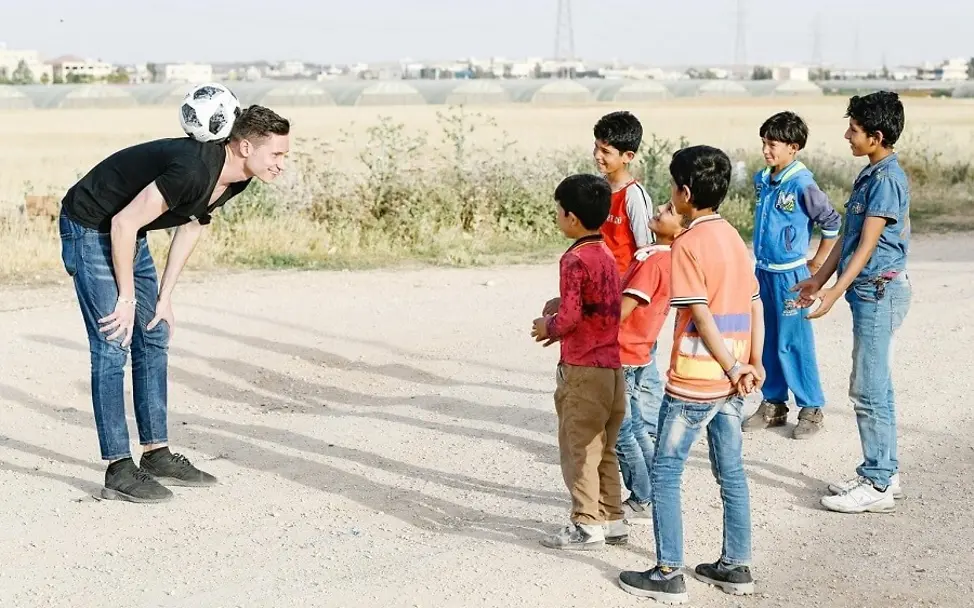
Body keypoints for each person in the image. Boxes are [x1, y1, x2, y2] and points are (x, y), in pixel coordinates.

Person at [58, 105, 291, 504]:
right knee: (114, 340)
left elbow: (191, 224)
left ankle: (156, 454)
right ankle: (117, 468)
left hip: (128, 230)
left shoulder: (237, 177)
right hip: (92, 225)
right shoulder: (193, 168)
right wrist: (127, 297)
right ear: (246, 146)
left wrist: (164, 297)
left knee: (154, 333)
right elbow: (122, 224)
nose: (282, 164)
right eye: (277, 155)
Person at [618, 145, 764, 604]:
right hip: (734, 379)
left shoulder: (686, 245)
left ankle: (667, 571)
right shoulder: (733, 239)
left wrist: (731, 364)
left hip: (698, 379)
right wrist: (752, 362)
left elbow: (698, 313)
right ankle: (735, 565)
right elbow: (755, 303)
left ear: (684, 193)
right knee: (732, 472)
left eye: (671, 189)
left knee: (665, 471)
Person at [794, 91, 911, 514]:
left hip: (879, 292)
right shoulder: (870, 174)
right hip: (867, 292)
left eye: (854, 130)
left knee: (868, 388)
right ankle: (884, 470)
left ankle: (877, 484)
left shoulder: (887, 180)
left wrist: (833, 292)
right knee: (878, 385)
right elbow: (847, 235)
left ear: (876, 136)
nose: (847, 135)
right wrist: (816, 279)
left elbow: (866, 246)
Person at [531, 173, 628, 550]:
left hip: (583, 369)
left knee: (579, 447)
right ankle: (613, 517)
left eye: (559, 210)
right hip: (612, 368)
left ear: (571, 217)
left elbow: (570, 319)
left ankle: (586, 523)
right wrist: (564, 307)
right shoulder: (605, 254)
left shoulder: (573, 259)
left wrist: (548, 326)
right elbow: (598, 305)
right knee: (605, 447)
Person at [743, 111, 841, 440]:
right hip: (764, 273)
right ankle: (773, 404)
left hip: (792, 277)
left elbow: (831, 224)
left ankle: (811, 407)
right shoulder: (762, 179)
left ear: (793, 147)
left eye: (772, 144)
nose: (766, 150)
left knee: (794, 342)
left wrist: (816, 264)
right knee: (767, 338)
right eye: (763, 143)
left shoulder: (803, 184)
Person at [611, 202, 682, 524]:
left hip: (623, 352)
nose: (661, 208)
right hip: (638, 352)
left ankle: (642, 496)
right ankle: (653, 491)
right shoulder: (662, 255)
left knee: (621, 430)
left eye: (670, 209)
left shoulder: (656, 261)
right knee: (635, 425)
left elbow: (621, 311)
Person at [593, 110, 654, 276]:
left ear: (627, 156)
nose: (597, 155)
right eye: (596, 147)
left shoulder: (634, 196)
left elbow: (645, 250)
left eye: (605, 151)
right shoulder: (597, 186)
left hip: (621, 284)